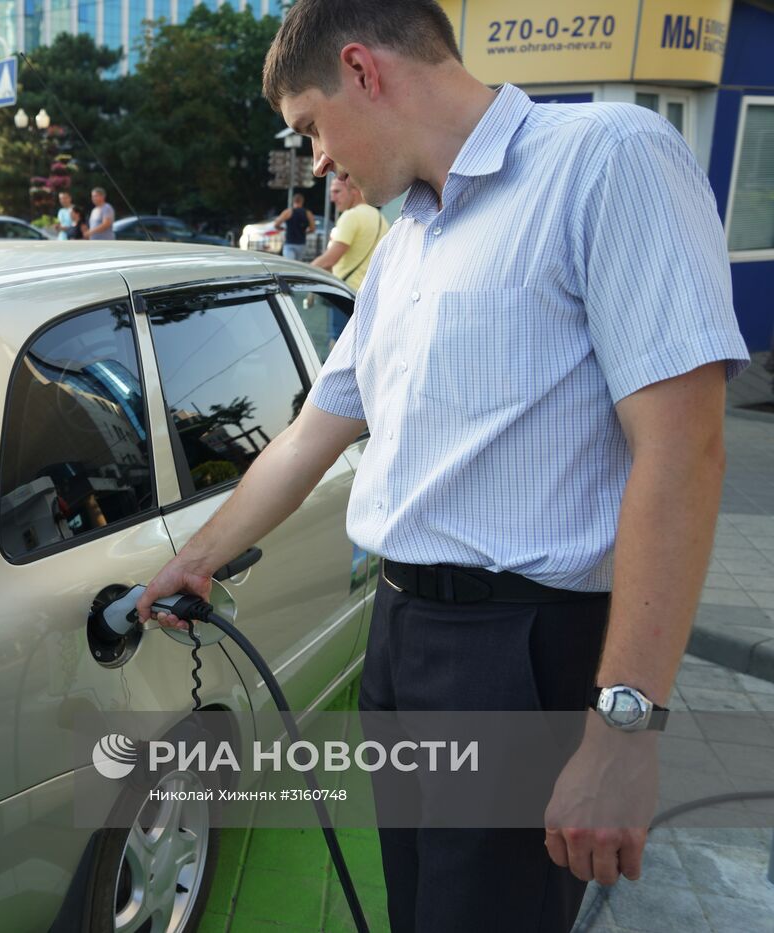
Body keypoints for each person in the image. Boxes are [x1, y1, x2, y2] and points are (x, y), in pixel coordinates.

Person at [136, 2, 749, 931]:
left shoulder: (606, 158)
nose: (318, 162)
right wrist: (198, 556)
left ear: (363, 70)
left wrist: (624, 729)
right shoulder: (407, 240)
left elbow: (684, 447)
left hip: (523, 648)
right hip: (402, 635)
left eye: (310, 127)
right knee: (422, 911)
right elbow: (314, 431)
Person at [311, 174, 386, 288]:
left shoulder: (351, 216)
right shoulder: (381, 218)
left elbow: (328, 261)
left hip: (347, 290)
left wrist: (301, 274)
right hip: (370, 291)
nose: (332, 198)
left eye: (337, 192)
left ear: (354, 190)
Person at [274, 191, 316, 261]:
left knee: (289, 265)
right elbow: (313, 228)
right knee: (298, 265)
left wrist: (282, 229)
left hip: (289, 243)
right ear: (302, 201)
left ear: (293, 201)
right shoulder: (308, 213)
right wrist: (304, 232)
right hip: (301, 243)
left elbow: (276, 224)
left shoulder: (288, 212)